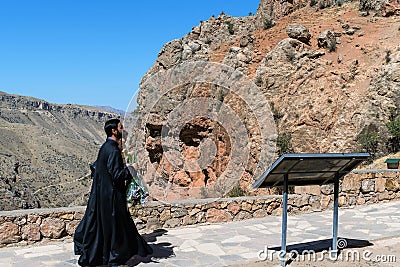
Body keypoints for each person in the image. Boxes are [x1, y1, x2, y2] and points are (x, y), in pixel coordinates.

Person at [74, 118, 153, 266]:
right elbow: (117, 175)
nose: (123, 130)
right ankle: (115, 258)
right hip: (112, 197)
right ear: (114, 131)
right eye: (120, 127)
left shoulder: (104, 147)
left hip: (102, 195)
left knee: (108, 228)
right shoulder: (114, 150)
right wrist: (132, 168)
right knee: (116, 228)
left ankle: (106, 255)